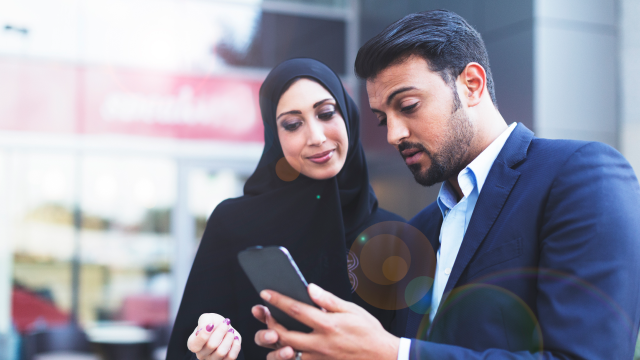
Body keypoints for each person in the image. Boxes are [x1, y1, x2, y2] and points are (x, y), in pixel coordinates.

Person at [252, 9, 640, 360]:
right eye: (383, 118)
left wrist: (395, 353)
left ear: (471, 84)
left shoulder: (579, 175)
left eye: (407, 106)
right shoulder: (420, 230)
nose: (393, 134)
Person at [165, 58, 405, 360]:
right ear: (274, 138)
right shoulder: (234, 223)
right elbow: (185, 350)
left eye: (327, 113)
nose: (316, 137)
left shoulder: (397, 236)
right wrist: (211, 347)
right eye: (293, 124)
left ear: (348, 116)